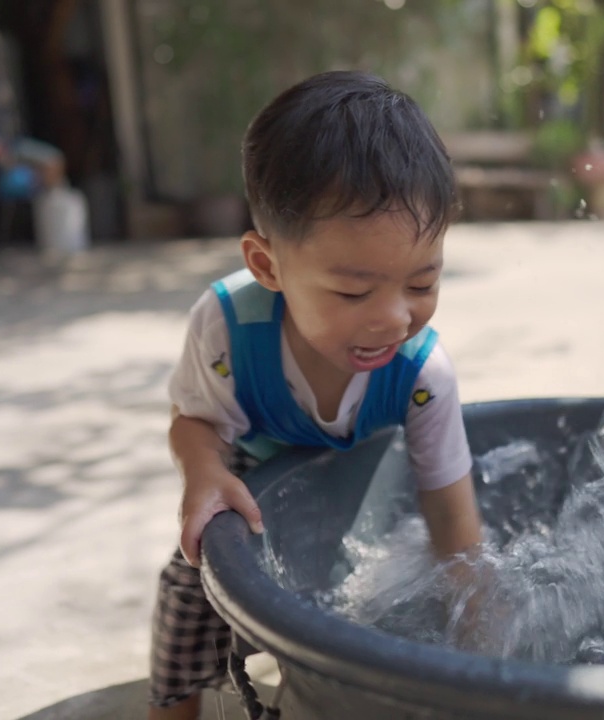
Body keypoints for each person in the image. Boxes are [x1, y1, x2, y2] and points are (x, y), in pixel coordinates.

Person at [148, 71, 485, 720]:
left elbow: (454, 528)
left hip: (364, 509)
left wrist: (474, 647)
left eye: (421, 283)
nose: (392, 318)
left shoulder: (422, 377)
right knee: (188, 595)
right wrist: (204, 472)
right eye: (354, 292)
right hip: (250, 503)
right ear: (268, 265)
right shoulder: (227, 330)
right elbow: (194, 419)